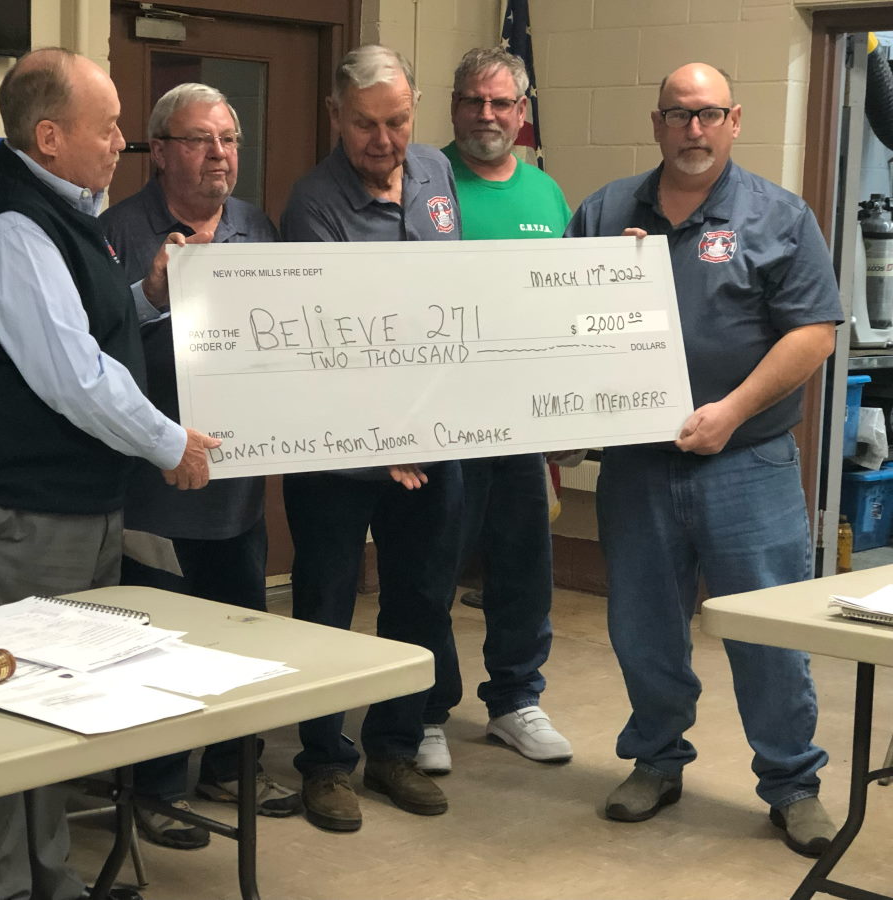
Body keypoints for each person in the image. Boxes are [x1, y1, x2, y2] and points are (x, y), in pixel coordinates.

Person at [0, 48, 219, 900]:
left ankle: (50, 881)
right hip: (11, 517)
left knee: (51, 715)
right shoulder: (11, 225)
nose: (123, 142)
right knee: (0, 723)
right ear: (49, 137)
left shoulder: (63, 211)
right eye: (109, 127)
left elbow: (84, 326)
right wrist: (170, 444)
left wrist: (147, 298)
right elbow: (72, 375)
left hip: (68, 507)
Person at [565, 62, 840, 856]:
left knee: (767, 632)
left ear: (734, 121)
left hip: (746, 462)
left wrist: (732, 412)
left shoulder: (779, 216)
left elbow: (814, 334)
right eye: (679, 114)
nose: (694, 129)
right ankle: (656, 760)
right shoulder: (605, 212)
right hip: (637, 466)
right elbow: (555, 321)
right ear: (656, 123)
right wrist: (604, 285)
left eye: (709, 114)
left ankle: (792, 784)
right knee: (643, 626)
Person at [99, 82, 302, 850]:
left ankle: (228, 767)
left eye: (229, 140)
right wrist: (150, 291)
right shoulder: (118, 231)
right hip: (153, 486)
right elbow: (94, 352)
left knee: (237, 634)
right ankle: (153, 788)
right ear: (160, 150)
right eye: (198, 140)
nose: (219, 154)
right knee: (155, 641)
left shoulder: (257, 227)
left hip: (237, 486)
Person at [279, 44, 463, 833]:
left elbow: (450, 302)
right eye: (364, 125)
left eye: (396, 121)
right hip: (338, 451)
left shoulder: (436, 173)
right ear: (335, 117)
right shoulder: (312, 204)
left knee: (420, 599)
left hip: (430, 442)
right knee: (325, 603)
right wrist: (384, 435)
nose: (383, 141)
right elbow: (331, 339)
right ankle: (324, 763)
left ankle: (395, 747)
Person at [417, 47, 574, 776]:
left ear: (521, 111)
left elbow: (570, 305)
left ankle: (515, 699)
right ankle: (426, 710)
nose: (487, 115)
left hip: (523, 420)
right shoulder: (424, 181)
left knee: (522, 565)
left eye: (501, 102)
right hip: (442, 418)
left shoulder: (547, 194)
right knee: (432, 569)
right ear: (453, 106)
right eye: (473, 101)